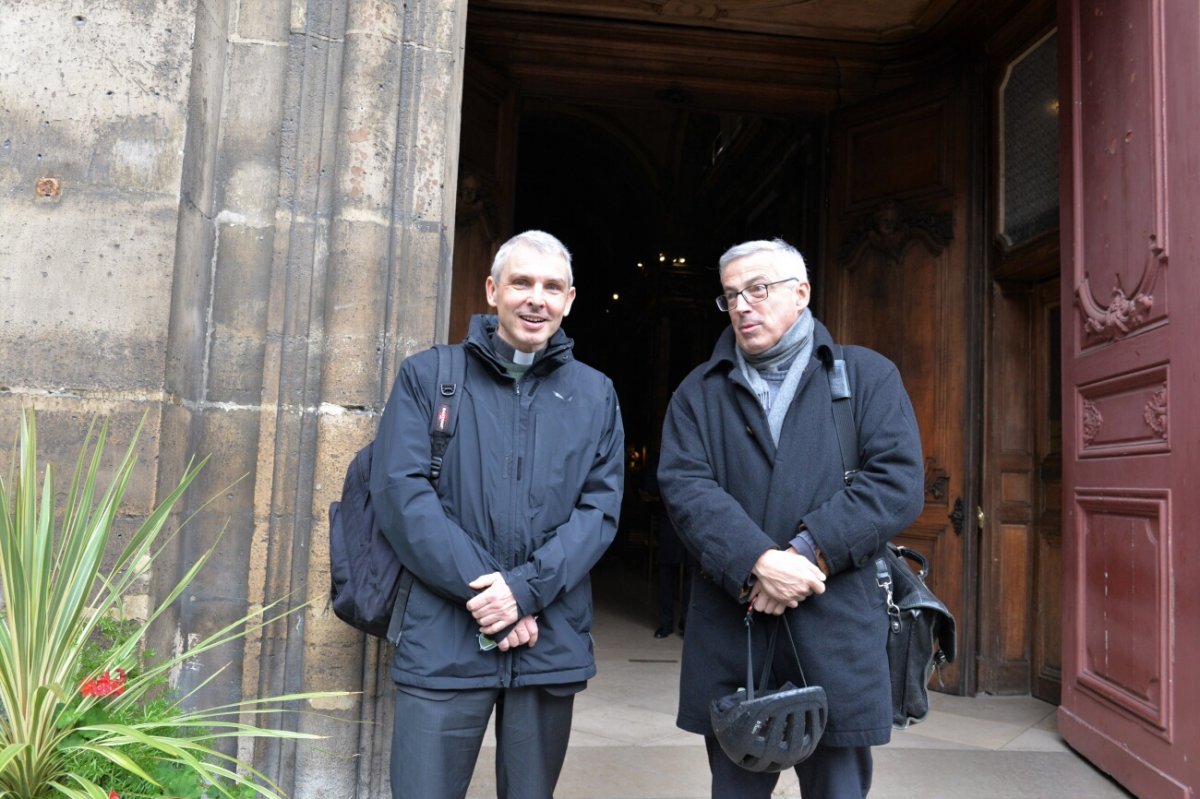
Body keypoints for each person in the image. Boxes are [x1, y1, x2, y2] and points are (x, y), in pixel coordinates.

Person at [657, 238, 924, 798]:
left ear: (801, 293)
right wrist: (758, 564)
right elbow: (686, 489)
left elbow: (896, 484)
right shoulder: (696, 394)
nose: (742, 306)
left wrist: (804, 554)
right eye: (730, 295)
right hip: (737, 634)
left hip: (836, 627)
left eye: (758, 289)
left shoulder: (868, 376)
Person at [369, 230, 625, 799]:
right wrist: (496, 598)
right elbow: (402, 495)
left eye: (552, 286)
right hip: (445, 635)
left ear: (570, 300)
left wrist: (526, 592)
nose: (537, 298)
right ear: (492, 290)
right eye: (521, 283)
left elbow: (599, 510)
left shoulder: (595, 393)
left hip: (548, 639)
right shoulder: (429, 376)